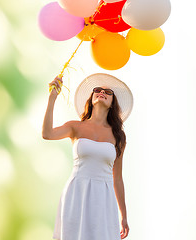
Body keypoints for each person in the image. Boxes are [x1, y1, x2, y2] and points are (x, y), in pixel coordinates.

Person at [42, 73, 133, 240]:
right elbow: (47, 134)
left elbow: (117, 179)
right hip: (77, 192)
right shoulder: (75, 127)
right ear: (91, 98)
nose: (102, 92)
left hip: (104, 198)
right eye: (97, 90)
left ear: (113, 103)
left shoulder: (118, 136)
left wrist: (124, 216)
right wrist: (52, 98)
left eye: (108, 92)